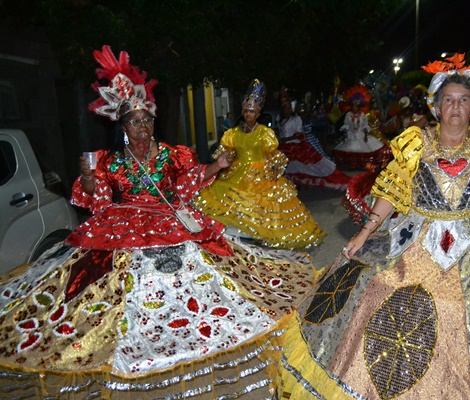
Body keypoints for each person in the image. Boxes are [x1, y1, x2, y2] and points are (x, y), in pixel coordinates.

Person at [274, 53, 470, 399]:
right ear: (436, 107)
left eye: (463, 100)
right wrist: (364, 233)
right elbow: (393, 192)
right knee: (377, 286)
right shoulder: (415, 143)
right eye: (449, 100)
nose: (456, 107)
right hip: (417, 239)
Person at [0, 46, 317, 398]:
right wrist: (88, 176)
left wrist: (216, 166)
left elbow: (186, 184)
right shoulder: (110, 160)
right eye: (135, 122)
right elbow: (96, 197)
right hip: (121, 222)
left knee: (197, 269)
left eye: (147, 120)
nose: (143, 126)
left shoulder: (170, 154)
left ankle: (184, 321)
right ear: (123, 127)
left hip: (168, 218)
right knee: (108, 276)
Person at [193, 79, 326, 249]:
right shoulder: (232, 134)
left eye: (252, 112)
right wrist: (224, 158)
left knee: (263, 204)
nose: (249, 115)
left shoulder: (265, 133)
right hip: (237, 172)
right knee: (228, 196)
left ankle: (257, 233)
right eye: (246, 111)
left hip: (260, 174)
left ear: (258, 114)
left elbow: (274, 156)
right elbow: (226, 152)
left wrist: (275, 170)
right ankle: (240, 232)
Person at [277, 99, 351, 190]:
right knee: (287, 166)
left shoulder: (296, 119)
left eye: (289, 108)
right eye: (285, 108)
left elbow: (300, 134)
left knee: (305, 166)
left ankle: (299, 183)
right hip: (283, 146)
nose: (287, 110)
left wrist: (287, 139)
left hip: (294, 146)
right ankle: (291, 184)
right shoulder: (280, 119)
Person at [333, 85, 392, 169]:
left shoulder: (362, 115)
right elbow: (346, 125)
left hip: (360, 134)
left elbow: (365, 125)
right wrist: (345, 134)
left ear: (359, 107)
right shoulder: (348, 114)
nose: (354, 108)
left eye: (356, 106)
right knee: (350, 149)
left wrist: (365, 135)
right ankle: (352, 165)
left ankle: (362, 166)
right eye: (353, 106)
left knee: (365, 149)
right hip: (351, 135)